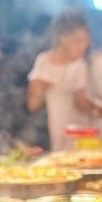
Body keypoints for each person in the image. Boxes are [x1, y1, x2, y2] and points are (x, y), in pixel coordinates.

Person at [26, 9, 91, 151]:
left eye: (86, 42)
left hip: (76, 135)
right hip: (49, 134)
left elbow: (82, 104)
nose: (83, 47)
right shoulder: (43, 60)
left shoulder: (80, 65)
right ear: (63, 38)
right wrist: (43, 86)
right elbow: (33, 104)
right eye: (78, 42)